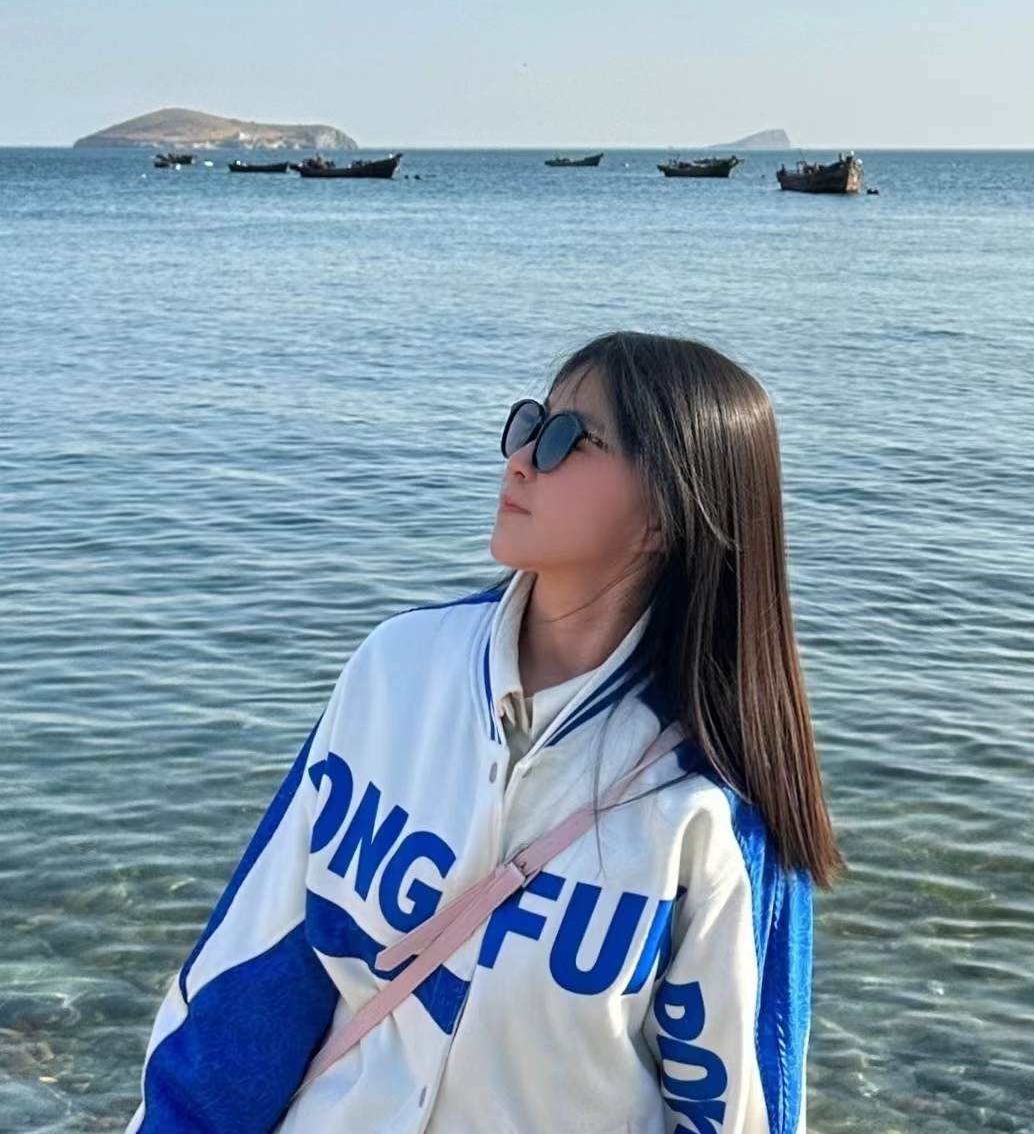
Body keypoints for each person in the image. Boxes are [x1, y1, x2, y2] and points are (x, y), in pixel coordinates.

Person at [127, 331, 841, 1134]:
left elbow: (734, 1109)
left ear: (662, 516)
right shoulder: (397, 669)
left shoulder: (711, 799)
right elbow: (254, 976)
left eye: (571, 438)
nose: (522, 458)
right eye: (530, 422)